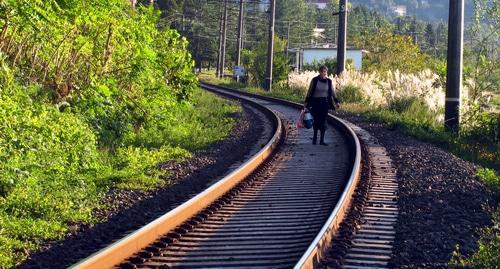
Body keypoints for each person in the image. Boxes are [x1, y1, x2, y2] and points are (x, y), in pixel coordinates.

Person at [304, 65, 340, 145]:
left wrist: (336, 102)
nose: (324, 73)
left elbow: (333, 92)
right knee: (316, 120)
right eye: (323, 71)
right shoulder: (315, 80)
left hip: (325, 103)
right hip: (315, 103)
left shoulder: (329, 81)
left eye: (325, 72)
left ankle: (322, 140)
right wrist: (306, 102)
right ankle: (315, 137)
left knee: (323, 121)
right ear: (319, 72)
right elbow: (309, 92)